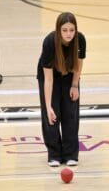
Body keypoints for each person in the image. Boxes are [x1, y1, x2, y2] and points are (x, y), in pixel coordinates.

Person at [37, 12, 86, 167]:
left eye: (71, 30)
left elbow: (78, 66)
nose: (68, 34)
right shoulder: (50, 42)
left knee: (70, 113)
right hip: (50, 77)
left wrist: (75, 85)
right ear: (58, 30)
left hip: (70, 75)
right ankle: (54, 154)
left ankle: (71, 154)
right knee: (52, 115)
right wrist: (48, 106)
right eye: (64, 30)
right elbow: (48, 79)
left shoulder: (80, 40)